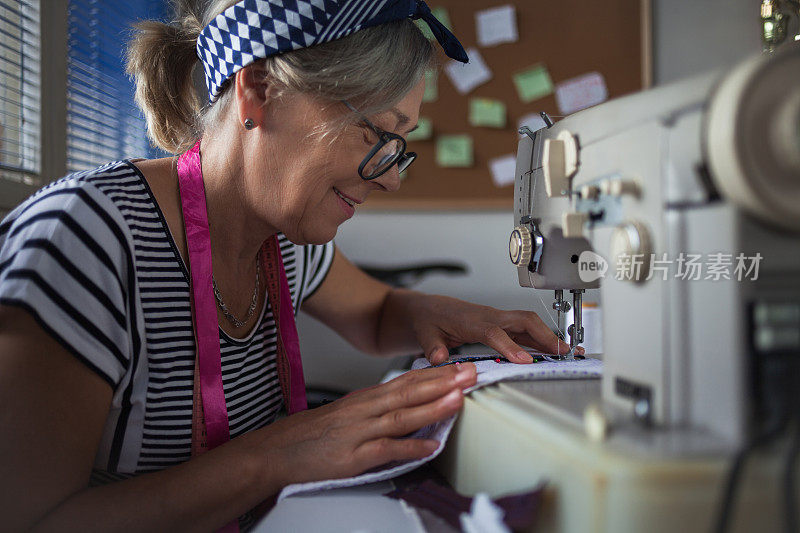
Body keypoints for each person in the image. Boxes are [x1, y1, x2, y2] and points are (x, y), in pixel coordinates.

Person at [0, 0, 582, 530]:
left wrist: (441, 313)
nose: (393, 177)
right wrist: (275, 455)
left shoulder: (287, 240)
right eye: (376, 134)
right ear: (259, 92)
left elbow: (375, 315)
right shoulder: (85, 242)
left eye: (401, 144)